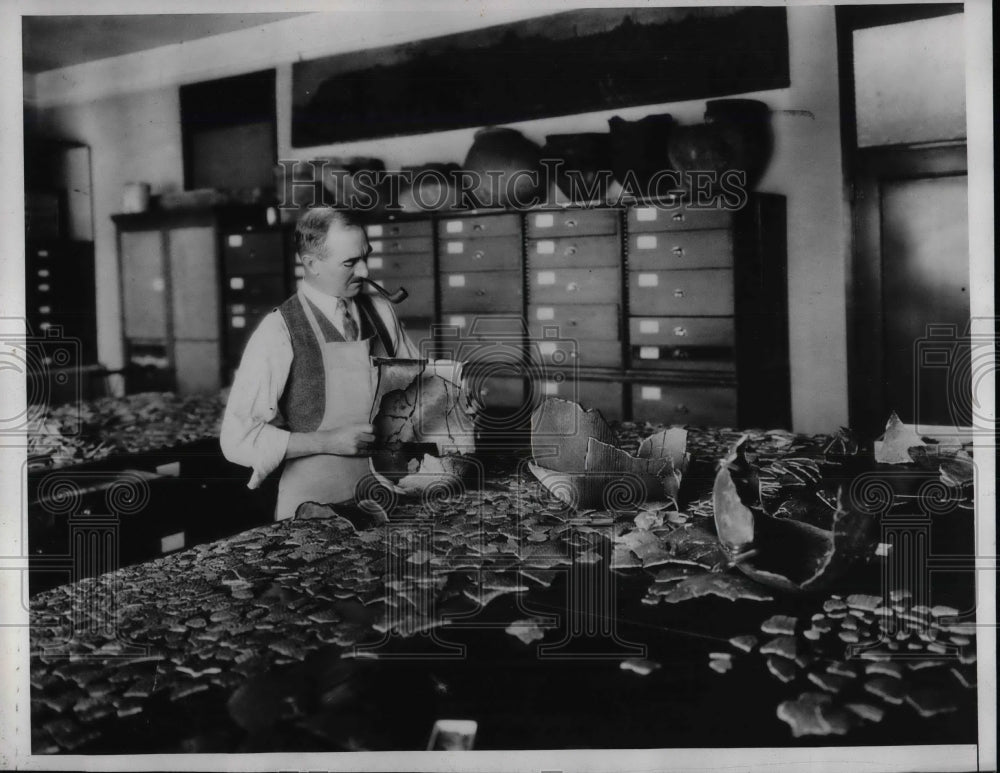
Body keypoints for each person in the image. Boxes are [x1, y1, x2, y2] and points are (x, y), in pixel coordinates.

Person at [220, 207, 420, 520]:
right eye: (350, 262)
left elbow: (414, 390)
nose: (365, 271)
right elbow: (236, 439)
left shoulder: (381, 311)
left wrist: (450, 400)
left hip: (385, 500)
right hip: (314, 511)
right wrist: (328, 441)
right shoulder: (280, 330)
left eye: (365, 256)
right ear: (311, 264)